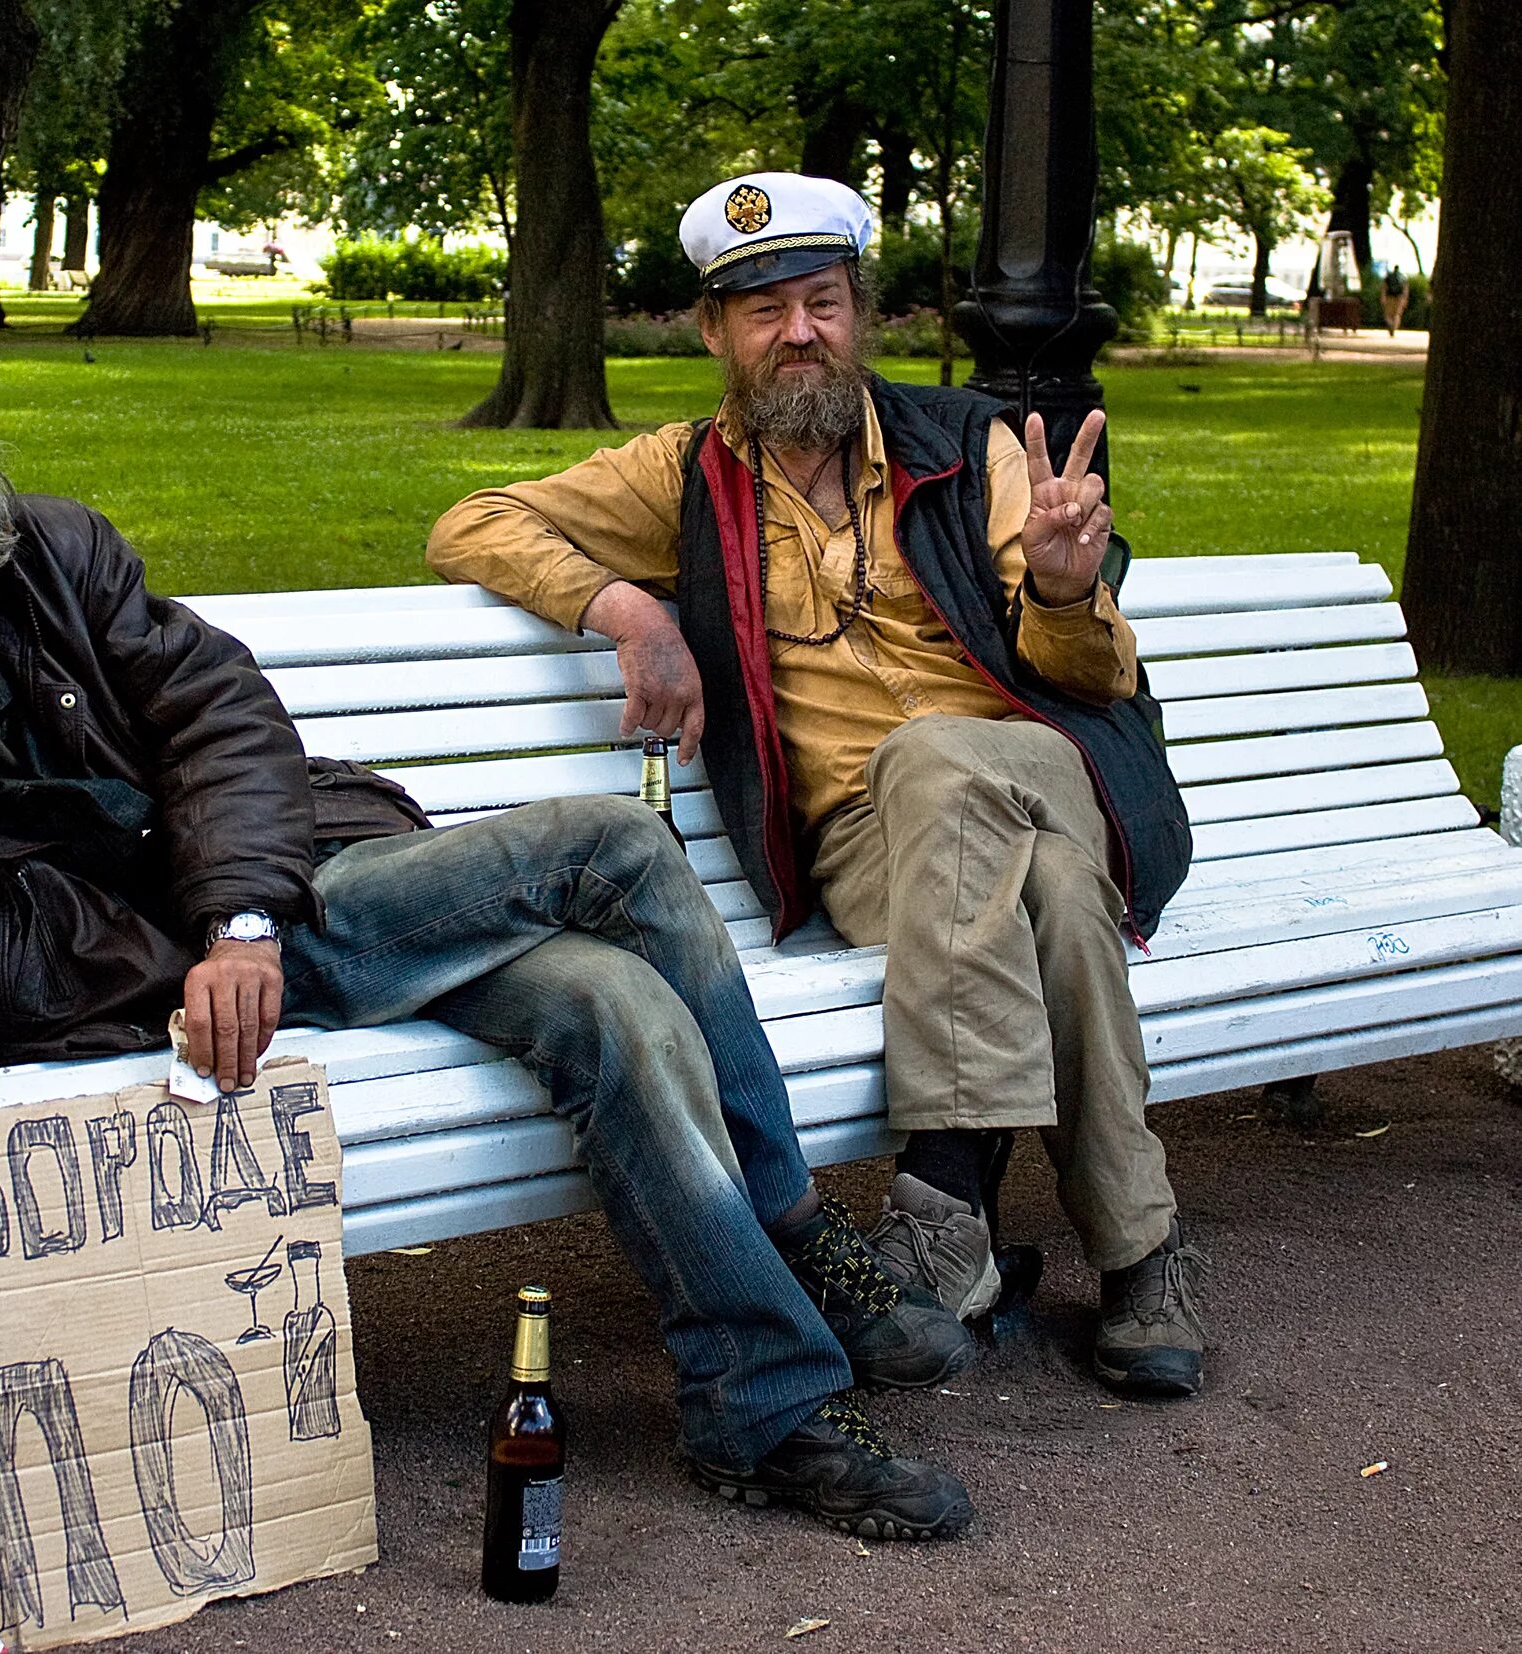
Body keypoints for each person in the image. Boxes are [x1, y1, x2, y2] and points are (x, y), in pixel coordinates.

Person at [0, 345, 979, 1539]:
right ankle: (794, 1266)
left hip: (268, 903)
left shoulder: (49, 562)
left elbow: (220, 714)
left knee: (610, 990)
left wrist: (239, 917)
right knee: (614, 874)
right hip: (134, 1004)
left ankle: (755, 1397)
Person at [427, 173, 1211, 1399]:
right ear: (714, 334)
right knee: (1054, 899)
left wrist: (1061, 584)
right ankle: (1138, 1252)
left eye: (823, 302)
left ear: (864, 315)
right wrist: (629, 607)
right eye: (763, 311)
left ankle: (944, 1205)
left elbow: (1086, 676)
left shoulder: (971, 446)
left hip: (1044, 772)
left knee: (947, 758)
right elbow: (469, 521)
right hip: (864, 848)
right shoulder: (681, 477)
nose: (797, 332)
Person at [1380, 266, 1408, 336]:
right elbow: (1405, 289)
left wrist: (1383, 297)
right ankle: (1394, 327)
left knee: (1388, 314)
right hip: (1400, 298)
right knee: (1397, 314)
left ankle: (1390, 324)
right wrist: (1405, 299)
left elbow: (1384, 288)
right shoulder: (1403, 277)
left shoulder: (1389, 277)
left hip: (1390, 297)